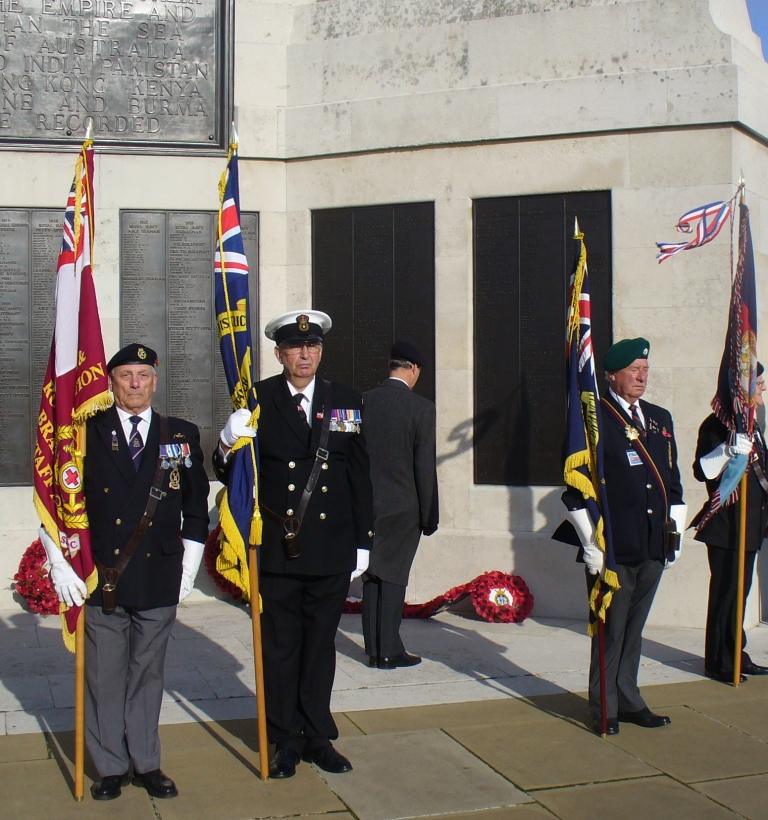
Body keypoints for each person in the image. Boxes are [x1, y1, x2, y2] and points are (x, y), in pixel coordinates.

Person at [39, 343, 210, 800]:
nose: (135, 384)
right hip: (103, 576)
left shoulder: (181, 434)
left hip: (158, 574)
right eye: (125, 375)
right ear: (110, 382)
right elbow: (58, 502)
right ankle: (111, 765)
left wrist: (189, 566)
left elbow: (196, 507)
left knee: (148, 673)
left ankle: (147, 763)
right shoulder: (83, 433)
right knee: (104, 675)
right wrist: (58, 560)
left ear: (155, 381)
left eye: (143, 375)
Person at [216, 310, 374, 779]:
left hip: (329, 546)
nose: (305, 355)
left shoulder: (345, 398)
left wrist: (364, 540)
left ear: (320, 351)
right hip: (279, 548)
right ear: (279, 353)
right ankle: (283, 737)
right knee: (281, 647)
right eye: (295, 347)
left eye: (313, 347)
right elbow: (233, 471)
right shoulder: (259, 398)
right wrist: (227, 442)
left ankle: (316, 734)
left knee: (320, 646)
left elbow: (360, 473)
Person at [562, 337, 686, 735]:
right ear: (611, 375)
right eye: (634, 370)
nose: (641, 377)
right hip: (612, 547)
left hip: (652, 543)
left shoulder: (659, 418)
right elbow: (575, 489)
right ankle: (605, 706)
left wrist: (675, 534)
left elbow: (673, 481)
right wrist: (589, 544)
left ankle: (630, 699)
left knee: (635, 630)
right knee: (610, 631)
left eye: (645, 370)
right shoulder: (594, 419)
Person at [361, 340, 439, 668]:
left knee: (371, 576)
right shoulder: (420, 409)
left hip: (367, 505)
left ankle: (373, 648)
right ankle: (390, 650)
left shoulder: (363, 401)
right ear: (414, 369)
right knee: (393, 577)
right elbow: (424, 466)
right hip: (404, 507)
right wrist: (429, 515)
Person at [692, 363, 768, 683]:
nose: (762, 388)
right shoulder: (717, 424)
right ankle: (719, 661)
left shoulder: (755, 424)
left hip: (750, 524)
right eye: (757, 383)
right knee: (725, 593)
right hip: (726, 523)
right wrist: (727, 448)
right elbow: (702, 471)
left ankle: (737, 651)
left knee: (742, 593)